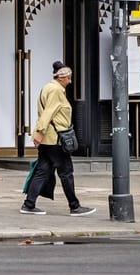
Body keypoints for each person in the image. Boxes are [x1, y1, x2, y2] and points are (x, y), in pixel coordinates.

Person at [23, 61, 96, 217]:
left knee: (42, 171)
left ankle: (29, 204)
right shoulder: (56, 90)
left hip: (47, 140)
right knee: (66, 172)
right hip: (55, 139)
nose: (70, 81)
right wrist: (40, 131)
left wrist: (39, 132)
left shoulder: (47, 87)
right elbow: (49, 112)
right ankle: (74, 206)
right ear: (62, 77)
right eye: (68, 78)